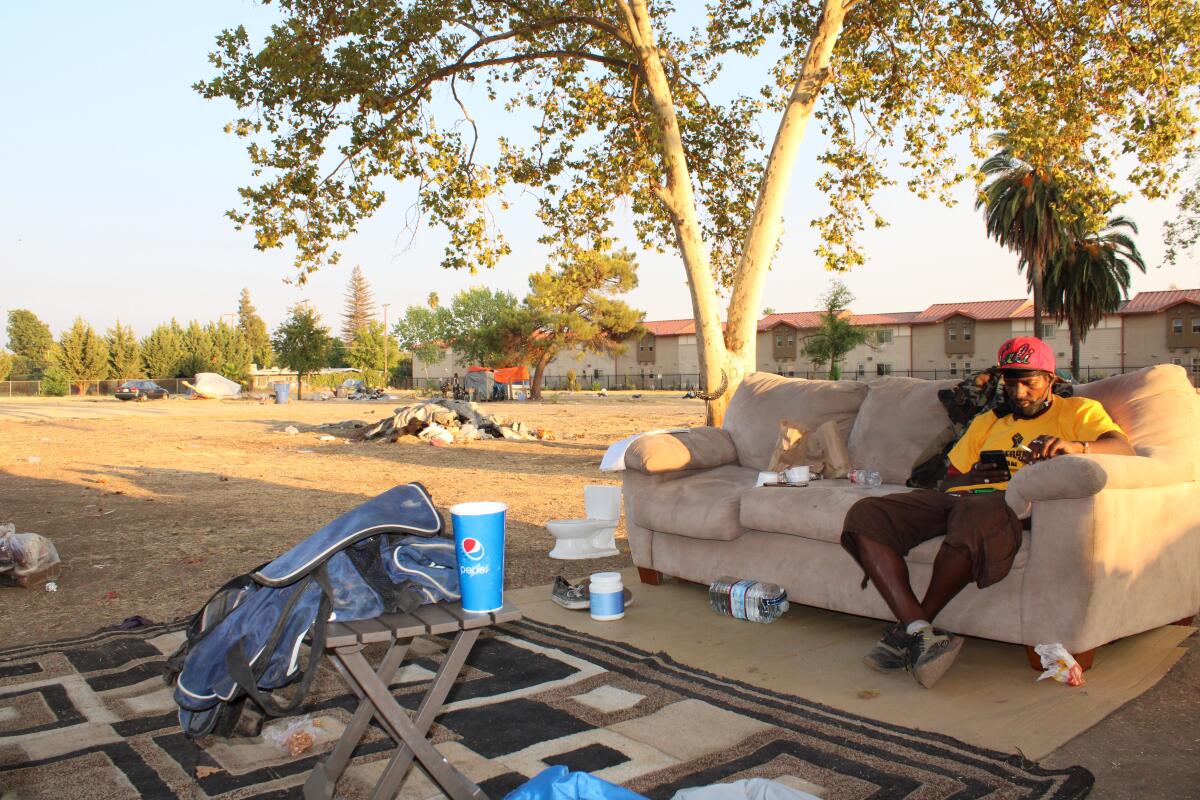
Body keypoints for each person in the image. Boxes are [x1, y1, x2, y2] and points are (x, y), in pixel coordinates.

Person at [840, 337, 1135, 688]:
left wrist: (1077, 447)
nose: (1019, 392)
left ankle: (914, 628)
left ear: (1051, 380)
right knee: (867, 514)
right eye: (1011, 383)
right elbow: (948, 482)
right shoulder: (989, 420)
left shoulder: (1078, 411)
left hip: (1010, 505)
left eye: (1029, 382)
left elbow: (1123, 448)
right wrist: (972, 475)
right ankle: (920, 631)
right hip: (963, 499)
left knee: (976, 514)